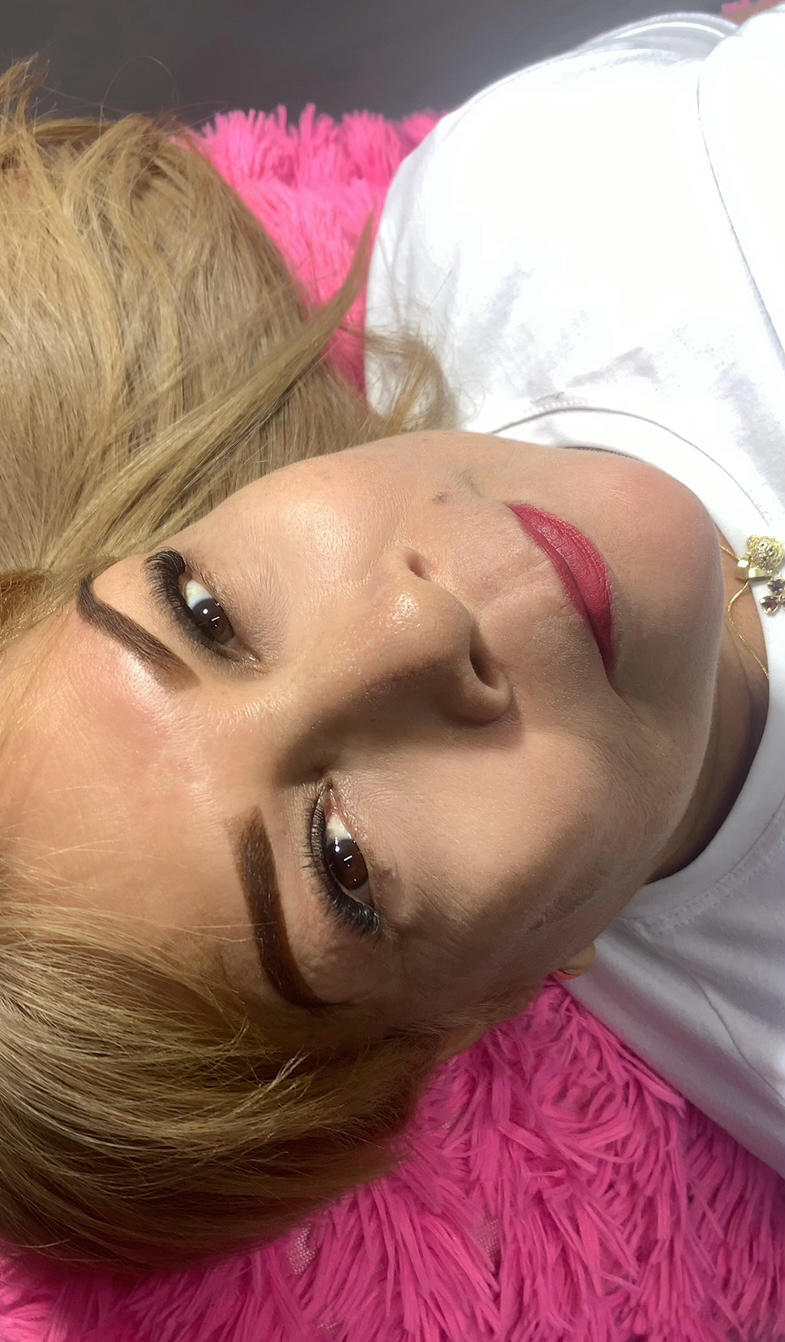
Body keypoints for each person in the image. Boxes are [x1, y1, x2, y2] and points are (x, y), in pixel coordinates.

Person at [0, 0, 781, 1275]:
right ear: (477, 1007)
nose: (414, 626)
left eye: (204, 610)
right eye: (341, 859)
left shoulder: (524, 204)